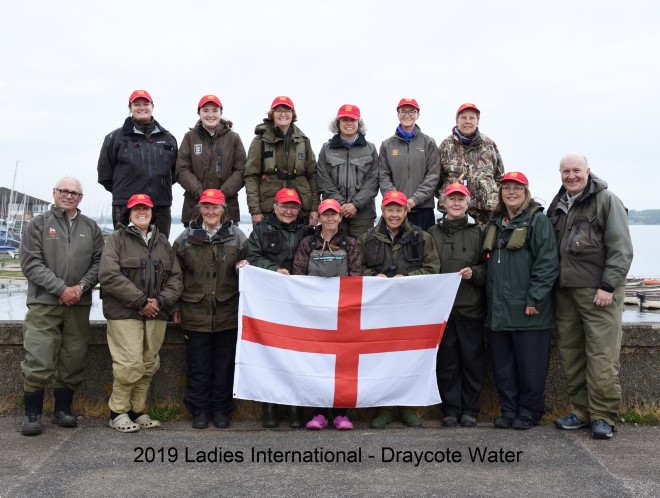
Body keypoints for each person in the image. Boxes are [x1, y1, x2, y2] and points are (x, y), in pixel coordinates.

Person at [548, 154, 633, 440]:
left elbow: (621, 248)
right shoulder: (558, 205)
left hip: (598, 292)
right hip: (565, 293)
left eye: (576, 170)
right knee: (571, 355)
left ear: (588, 171)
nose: (571, 176)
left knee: (602, 356)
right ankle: (582, 412)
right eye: (565, 171)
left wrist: (608, 286)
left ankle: (604, 417)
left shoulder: (607, 200)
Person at [19, 177, 104, 436]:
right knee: (39, 357)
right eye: (64, 191)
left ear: (81, 198)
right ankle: (32, 414)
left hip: (79, 304)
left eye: (75, 193)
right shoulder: (38, 224)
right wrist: (61, 289)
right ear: (54, 193)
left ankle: (62, 411)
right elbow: (31, 263)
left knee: (72, 358)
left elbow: (100, 263)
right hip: (44, 303)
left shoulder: (91, 227)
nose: (69, 196)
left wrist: (81, 287)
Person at [99, 194, 183, 433]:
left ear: (152, 212)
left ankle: (138, 410)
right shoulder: (116, 239)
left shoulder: (162, 242)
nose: (141, 212)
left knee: (148, 363)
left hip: (156, 312)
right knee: (129, 364)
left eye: (145, 208)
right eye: (136, 209)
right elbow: (108, 276)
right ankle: (117, 412)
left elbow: (176, 278)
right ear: (129, 213)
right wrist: (140, 301)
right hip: (124, 313)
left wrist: (161, 301)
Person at [483, 172, 559, 430]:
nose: (511, 193)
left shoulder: (538, 222)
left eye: (517, 188)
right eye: (506, 188)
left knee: (531, 367)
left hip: (528, 310)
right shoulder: (495, 223)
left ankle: (529, 412)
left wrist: (535, 298)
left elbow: (547, 265)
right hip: (499, 311)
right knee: (503, 368)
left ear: (526, 192)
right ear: (501, 193)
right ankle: (510, 410)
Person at [359, 190, 440, 428]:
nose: (394, 215)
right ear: (382, 211)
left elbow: (432, 269)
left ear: (407, 211)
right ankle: (384, 408)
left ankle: (406, 407)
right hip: (379, 311)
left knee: (408, 358)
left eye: (399, 210)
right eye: (389, 209)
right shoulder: (368, 238)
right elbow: (357, 268)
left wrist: (409, 277)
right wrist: (375, 276)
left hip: (411, 311)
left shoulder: (422, 238)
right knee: (381, 359)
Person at [172, 189, 248, 430]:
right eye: (206, 207)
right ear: (200, 209)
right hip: (195, 312)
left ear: (223, 209)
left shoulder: (237, 237)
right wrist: (174, 306)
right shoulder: (184, 238)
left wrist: (244, 266)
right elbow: (175, 275)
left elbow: (250, 269)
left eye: (215, 207)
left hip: (228, 312)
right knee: (198, 366)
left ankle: (221, 409)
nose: (211, 211)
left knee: (224, 365)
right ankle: (199, 410)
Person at [292, 198, 363, 430]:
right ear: (319, 218)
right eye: (325, 214)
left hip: (343, 312)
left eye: (334, 214)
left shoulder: (351, 244)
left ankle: (341, 414)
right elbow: (298, 276)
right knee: (318, 363)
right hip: (315, 313)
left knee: (342, 364)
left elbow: (356, 277)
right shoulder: (307, 243)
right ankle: (319, 414)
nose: (330, 218)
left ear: (341, 218)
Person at [246, 187, 313, 427]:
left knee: (296, 354)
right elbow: (252, 257)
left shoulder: (308, 230)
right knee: (269, 354)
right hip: (269, 301)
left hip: (298, 303)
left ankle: (295, 409)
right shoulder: (261, 229)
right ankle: (270, 407)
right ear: (274, 207)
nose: (289, 210)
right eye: (284, 206)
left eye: (293, 206)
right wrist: (274, 270)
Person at [428, 183, 486, 428]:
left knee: (472, 361)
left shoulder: (479, 233)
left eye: (460, 199)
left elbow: (488, 267)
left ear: (468, 203)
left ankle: (470, 409)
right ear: (443, 203)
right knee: (447, 362)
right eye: (451, 199)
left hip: (471, 307)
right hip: (443, 312)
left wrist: (475, 273)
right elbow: (428, 267)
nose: (456, 203)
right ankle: (450, 409)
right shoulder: (432, 233)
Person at [97, 89, 178, 238]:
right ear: (130, 108)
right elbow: (105, 175)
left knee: (160, 251)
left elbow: (174, 173)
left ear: (152, 106)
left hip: (160, 205)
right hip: (126, 206)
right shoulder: (115, 137)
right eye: (137, 104)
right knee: (125, 251)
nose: (142, 107)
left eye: (146, 103)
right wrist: (126, 191)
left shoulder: (168, 138)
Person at [244, 96, 319, 226]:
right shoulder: (260, 140)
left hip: (300, 207)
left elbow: (313, 176)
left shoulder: (304, 141)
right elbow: (251, 176)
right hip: (269, 207)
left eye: (287, 111)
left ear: (293, 114)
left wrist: (314, 208)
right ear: (272, 114)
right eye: (278, 111)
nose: (283, 114)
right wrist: (255, 210)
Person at [175, 94, 246, 227]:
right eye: (205, 110)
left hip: (227, 209)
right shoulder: (190, 138)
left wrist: (219, 195)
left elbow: (241, 170)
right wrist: (202, 194)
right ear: (199, 113)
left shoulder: (233, 138)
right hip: (194, 209)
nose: (210, 115)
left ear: (221, 113)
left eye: (214, 110)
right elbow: (181, 169)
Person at [436, 103, 505, 228]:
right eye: (463, 118)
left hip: (486, 217)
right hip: (455, 216)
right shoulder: (445, 146)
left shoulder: (489, 145)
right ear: (457, 121)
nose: (467, 121)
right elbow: (436, 181)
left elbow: (500, 178)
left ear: (478, 121)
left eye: (472, 118)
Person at [316, 104, 379, 238]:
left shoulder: (371, 149)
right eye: (345, 120)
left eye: (353, 120)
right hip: (333, 212)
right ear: (338, 123)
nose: (349, 123)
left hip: (363, 214)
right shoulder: (326, 149)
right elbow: (323, 180)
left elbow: (373, 181)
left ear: (359, 123)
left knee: (361, 254)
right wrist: (341, 205)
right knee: (335, 252)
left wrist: (355, 205)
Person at [378, 98, 440, 231]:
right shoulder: (386, 145)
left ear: (418, 114)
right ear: (397, 114)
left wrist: (414, 200)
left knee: (423, 249)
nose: (407, 115)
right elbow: (383, 176)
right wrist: (397, 200)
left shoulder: (429, 143)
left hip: (423, 210)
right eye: (403, 111)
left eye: (412, 111)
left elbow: (433, 175)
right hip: (396, 212)